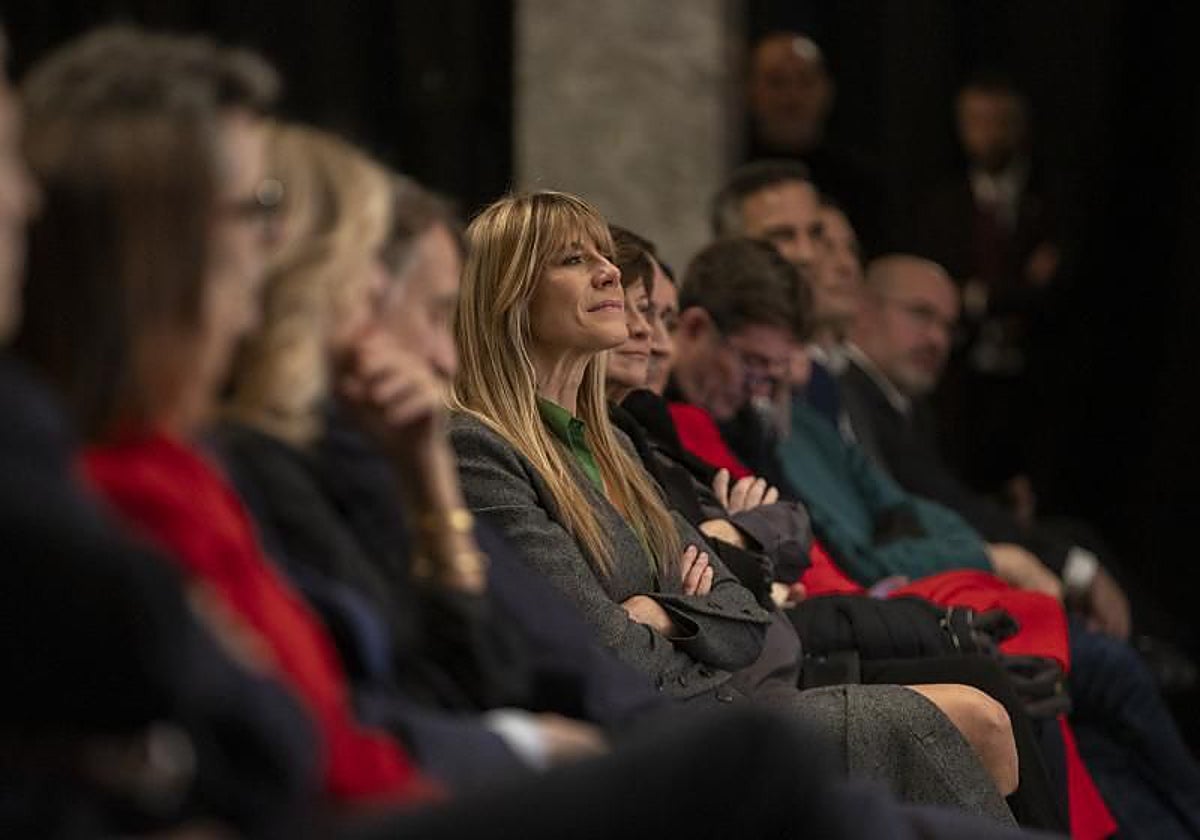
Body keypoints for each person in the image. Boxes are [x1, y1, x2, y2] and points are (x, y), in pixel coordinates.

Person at [447, 190, 1022, 819]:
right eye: (572, 260)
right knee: (963, 718)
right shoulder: (479, 449)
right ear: (508, 295)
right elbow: (597, 651)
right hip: (659, 736)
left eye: (604, 258)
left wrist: (663, 614)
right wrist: (688, 613)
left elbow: (742, 617)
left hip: (722, 706)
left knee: (984, 712)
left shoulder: (609, 441)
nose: (609, 272)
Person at [909, 73, 1069, 502]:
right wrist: (1013, 291)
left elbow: (1057, 296)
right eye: (976, 121)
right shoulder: (940, 204)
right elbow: (938, 288)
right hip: (964, 388)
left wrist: (979, 296)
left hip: (1041, 381)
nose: (987, 133)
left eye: (999, 120)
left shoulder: (1055, 200)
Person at [744, 31, 886, 254]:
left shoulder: (860, 183)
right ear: (749, 90)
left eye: (805, 81)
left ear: (827, 90)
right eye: (777, 82)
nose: (792, 97)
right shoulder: (724, 167)